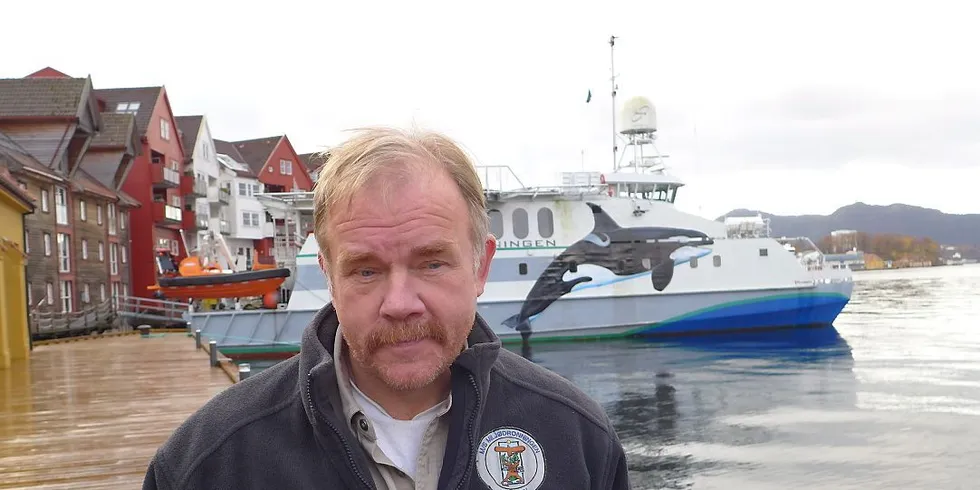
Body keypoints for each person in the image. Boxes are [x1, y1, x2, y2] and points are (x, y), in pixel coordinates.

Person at [142, 126, 632, 490]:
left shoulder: (578, 441)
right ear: (330, 277)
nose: (400, 305)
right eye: (366, 271)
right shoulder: (207, 464)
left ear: (480, 267)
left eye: (432, 263)